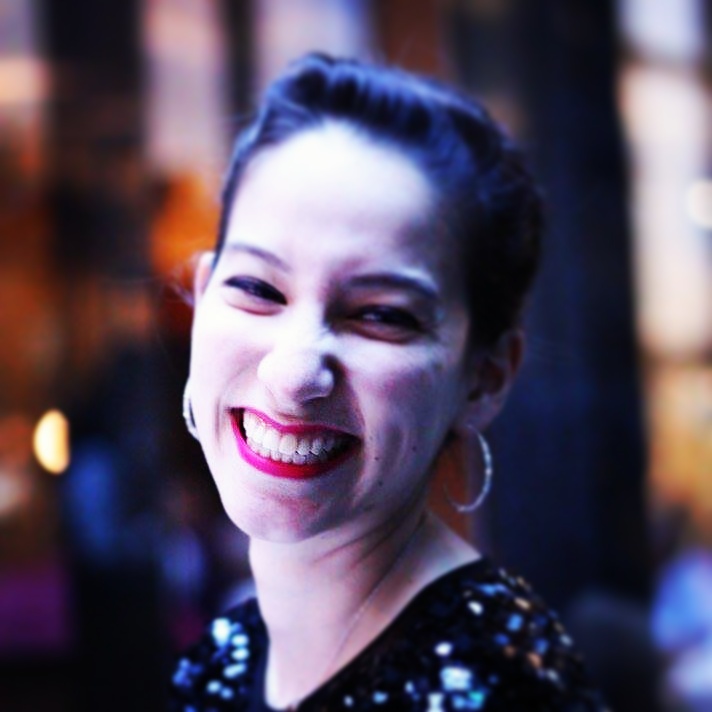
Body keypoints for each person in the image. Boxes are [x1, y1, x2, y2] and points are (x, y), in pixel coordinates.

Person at [170, 53, 606, 711]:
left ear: (485, 377)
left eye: (380, 315)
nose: (294, 374)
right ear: (202, 297)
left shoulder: (494, 687)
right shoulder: (220, 662)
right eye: (258, 289)